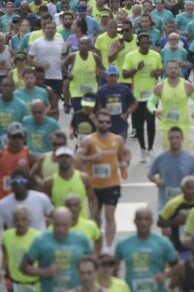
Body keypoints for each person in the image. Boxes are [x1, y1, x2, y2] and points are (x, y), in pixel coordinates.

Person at [76, 109, 130, 252]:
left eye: (107, 122)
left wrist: (124, 163)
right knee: (95, 216)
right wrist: (93, 158)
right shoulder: (88, 140)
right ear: (96, 123)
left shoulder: (117, 139)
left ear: (110, 124)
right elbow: (78, 157)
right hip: (93, 185)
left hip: (112, 183)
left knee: (109, 215)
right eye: (101, 122)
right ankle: (97, 241)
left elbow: (126, 154)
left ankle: (108, 247)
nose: (104, 124)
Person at [21, 207, 92, 292]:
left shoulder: (80, 239)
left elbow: (92, 264)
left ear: (71, 223)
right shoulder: (40, 240)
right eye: (57, 225)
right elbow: (23, 267)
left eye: (64, 225)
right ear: (52, 222)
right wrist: (45, 272)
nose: (60, 229)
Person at [0, 77, 29, 199]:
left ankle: (10, 188)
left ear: (13, 88)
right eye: (5, 85)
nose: (7, 88)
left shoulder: (21, 105)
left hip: (14, 143)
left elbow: (26, 124)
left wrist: (23, 138)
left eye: (10, 86)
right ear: (0, 87)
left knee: (13, 167)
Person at [0, 170, 55, 253]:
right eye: (15, 182)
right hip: (17, 249)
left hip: (40, 247)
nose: (18, 184)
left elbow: (55, 217)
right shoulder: (3, 204)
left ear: (26, 183)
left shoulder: (41, 198)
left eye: (21, 181)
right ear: (11, 185)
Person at [114, 208, 178, 292]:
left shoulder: (164, 243)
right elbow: (113, 268)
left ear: (151, 221)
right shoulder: (123, 243)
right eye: (140, 219)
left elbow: (177, 267)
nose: (143, 223)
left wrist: (165, 275)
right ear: (134, 221)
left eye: (147, 219)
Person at [123, 33, 163, 160]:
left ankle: (150, 148)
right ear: (138, 44)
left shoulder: (155, 55)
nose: (145, 45)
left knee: (151, 121)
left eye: (147, 43)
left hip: (152, 96)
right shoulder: (131, 56)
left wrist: (156, 73)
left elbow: (161, 70)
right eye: (142, 43)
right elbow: (124, 75)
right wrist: (136, 69)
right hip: (136, 96)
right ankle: (142, 148)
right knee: (139, 124)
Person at [148, 60, 194, 151]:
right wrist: (154, 110)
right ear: (166, 70)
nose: (173, 70)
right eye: (170, 68)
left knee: (183, 157)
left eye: (175, 68)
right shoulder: (160, 86)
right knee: (169, 157)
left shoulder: (186, 85)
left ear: (179, 70)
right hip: (166, 127)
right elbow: (151, 102)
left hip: (183, 126)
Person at [148, 126, 194, 209]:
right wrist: (156, 180)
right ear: (168, 139)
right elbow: (150, 174)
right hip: (165, 203)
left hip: (185, 204)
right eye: (171, 138)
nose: (174, 140)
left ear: (182, 139)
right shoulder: (161, 158)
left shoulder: (190, 158)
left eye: (177, 137)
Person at [158, 176, 194, 260]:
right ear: (182, 189)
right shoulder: (173, 203)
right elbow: (160, 222)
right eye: (188, 188)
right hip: (179, 245)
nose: (191, 191)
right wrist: (176, 222)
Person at [0, 206, 40, 291]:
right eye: (17, 220)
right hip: (16, 284)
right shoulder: (7, 236)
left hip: (35, 284)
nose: (20, 223)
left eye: (23, 219)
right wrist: (0, 273)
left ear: (29, 221)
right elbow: (6, 256)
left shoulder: (38, 237)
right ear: (13, 222)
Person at [43, 146, 95, 219]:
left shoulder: (83, 178)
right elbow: (45, 205)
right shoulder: (50, 182)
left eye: (67, 157)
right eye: (61, 157)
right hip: (60, 224)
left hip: (81, 222)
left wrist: (93, 216)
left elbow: (92, 199)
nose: (64, 159)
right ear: (56, 159)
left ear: (72, 159)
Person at [0, 122, 39, 203]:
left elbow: (37, 175)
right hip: (3, 197)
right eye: (14, 137)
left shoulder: (30, 155)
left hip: (23, 198)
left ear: (24, 138)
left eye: (20, 137)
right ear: (8, 137)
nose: (17, 140)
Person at [96, 65, 138, 141]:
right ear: (106, 77)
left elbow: (134, 103)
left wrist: (127, 113)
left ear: (118, 76)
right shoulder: (101, 90)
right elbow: (98, 106)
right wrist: (103, 113)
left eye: (114, 75)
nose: (112, 78)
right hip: (107, 124)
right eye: (110, 76)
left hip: (121, 124)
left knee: (120, 145)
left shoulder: (124, 89)